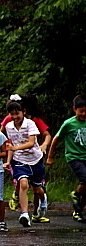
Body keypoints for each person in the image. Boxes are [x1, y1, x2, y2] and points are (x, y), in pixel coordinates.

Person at [3, 100, 47, 227]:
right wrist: (8, 161)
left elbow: (31, 142)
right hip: (20, 160)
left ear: (23, 112)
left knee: (37, 189)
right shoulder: (8, 127)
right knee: (23, 183)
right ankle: (24, 214)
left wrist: (15, 148)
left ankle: (43, 201)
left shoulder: (30, 124)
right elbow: (10, 145)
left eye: (17, 114)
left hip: (35, 159)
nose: (15, 117)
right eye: (12, 114)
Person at [47, 94, 86, 222]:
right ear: (74, 109)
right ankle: (76, 194)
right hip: (74, 157)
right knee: (85, 179)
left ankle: (78, 210)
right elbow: (56, 139)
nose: (84, 114)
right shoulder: (69, 123)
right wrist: (50, 157)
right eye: (81, 111)